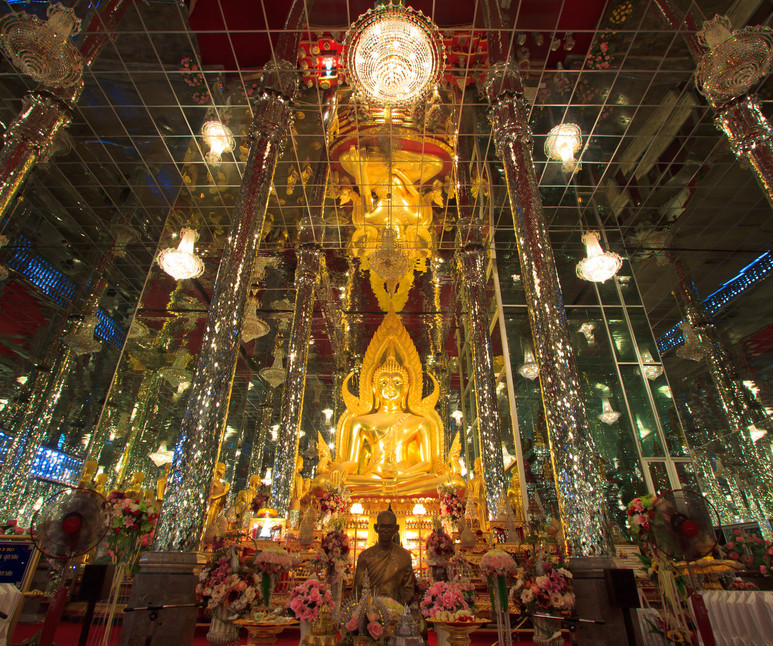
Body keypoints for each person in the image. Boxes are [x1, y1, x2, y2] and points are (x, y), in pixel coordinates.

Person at [354, 509, 415, 605]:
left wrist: (395, 608)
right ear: (376, 528)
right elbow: (357, 590)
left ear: (396, 529)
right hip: (369, 612)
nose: (386, 531)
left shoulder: (404, 556)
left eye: (390, 527)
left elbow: (409, 590)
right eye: (382, 527)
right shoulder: (365, 556)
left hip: (395, 612)